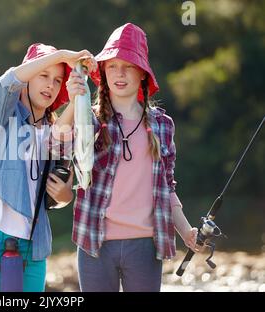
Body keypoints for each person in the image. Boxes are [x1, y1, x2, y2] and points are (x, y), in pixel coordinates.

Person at [53, 23, 198, 292]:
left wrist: (186, 232)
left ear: (143, 73)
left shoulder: (163, 125)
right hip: (95, 243)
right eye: (112, 66)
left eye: (128, 66)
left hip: (145, 245)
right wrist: (74, 102)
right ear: (103, 73)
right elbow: (58, 140)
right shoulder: (91, 119)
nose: (120, 74)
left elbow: (167, 187)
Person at [0, 43, 96, 292]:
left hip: (34, 244)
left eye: (58, 80)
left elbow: (60, 191)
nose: (51, 85)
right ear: (28, 78)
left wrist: (65, 196)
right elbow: (5, 83)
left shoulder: (54, 129)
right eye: (44, 75)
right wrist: (59, 56)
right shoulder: (2, 118)